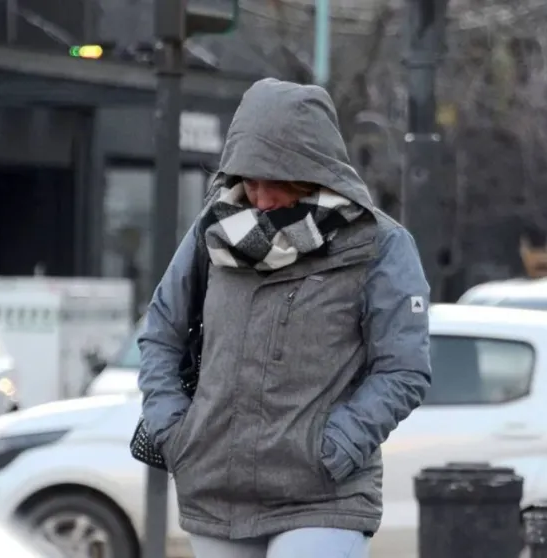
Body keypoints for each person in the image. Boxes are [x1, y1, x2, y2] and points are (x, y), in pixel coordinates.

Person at [138, 78, 432, 558]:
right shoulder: (214, 230)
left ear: (311, 170)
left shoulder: (380, 244)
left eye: (274, 181)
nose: (260, 198)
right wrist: (174, 431)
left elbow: (404, 369)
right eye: (249, 181)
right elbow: (160, 332)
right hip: (216, 489)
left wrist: (334, 448)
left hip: (322, 494)